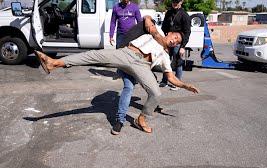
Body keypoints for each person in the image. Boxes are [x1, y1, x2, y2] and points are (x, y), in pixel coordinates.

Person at [34, 16, 199, 134]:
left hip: (142, 66)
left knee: (156, 93)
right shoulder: (155, 34)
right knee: (93, 55)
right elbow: (147, 19)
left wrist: (185, 85)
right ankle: (54, 63)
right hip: (126, 54)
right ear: (169, 33)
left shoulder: (165, 56)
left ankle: (141, 119)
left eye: (177, 42)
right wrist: (148, 18)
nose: (174, 41)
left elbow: (170, 77)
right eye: (175, 37)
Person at [109, 0, 142, 135]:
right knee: (128, 82)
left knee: (130, 82)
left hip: (133, 38)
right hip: (121, 37)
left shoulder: (135, 7)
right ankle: (120, 120)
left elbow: (141, 23)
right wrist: (111, 35)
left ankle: (129, 73)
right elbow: (113, 22)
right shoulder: (116, 8)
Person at [159, 0, 191, 91]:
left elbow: (187, 32)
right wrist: (165, 34)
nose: (175, 3)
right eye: (173, 1)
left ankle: (177, 83)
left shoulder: (184, 15)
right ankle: (164, 81)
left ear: (181, 2)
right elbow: (163, 26)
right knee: (165, 60)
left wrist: (183, 46)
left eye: (177, 2)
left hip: (178, 42)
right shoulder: (169, 13)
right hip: (168, 41)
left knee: (178, 62)